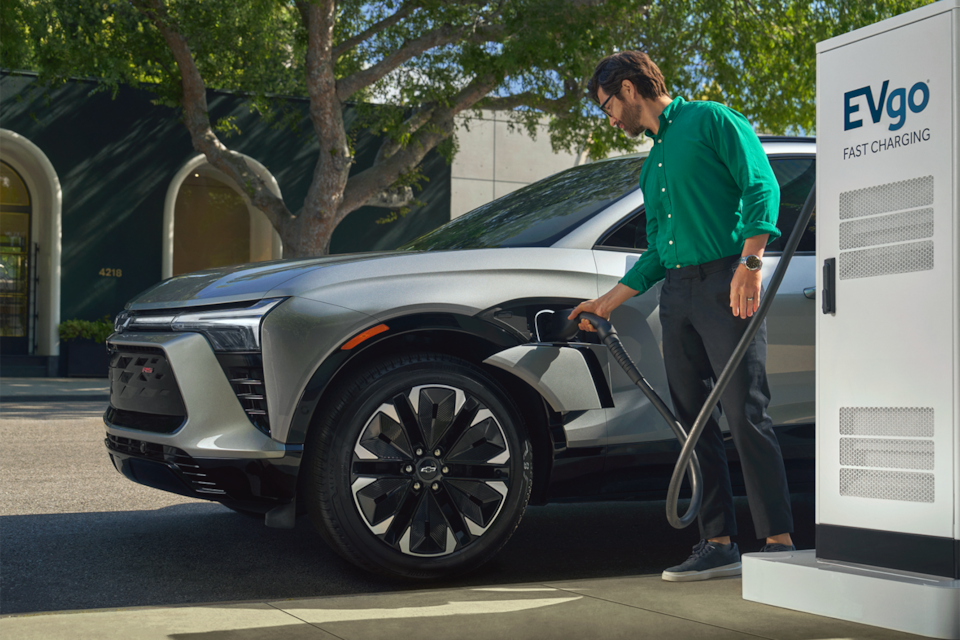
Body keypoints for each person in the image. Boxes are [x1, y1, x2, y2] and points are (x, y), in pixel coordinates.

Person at [569, 51, 795, 582]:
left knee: (745, 412)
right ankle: (717, 543)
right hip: (677, 293)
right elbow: (655, 251)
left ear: (627, 89)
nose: (609, 118)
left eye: (606, 106)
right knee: (693, 424)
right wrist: (606, 303)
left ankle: (780, 542)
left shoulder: (711, 119)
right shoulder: (652, 164)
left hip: (726, 282)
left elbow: (762, 185)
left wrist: (751, 262)